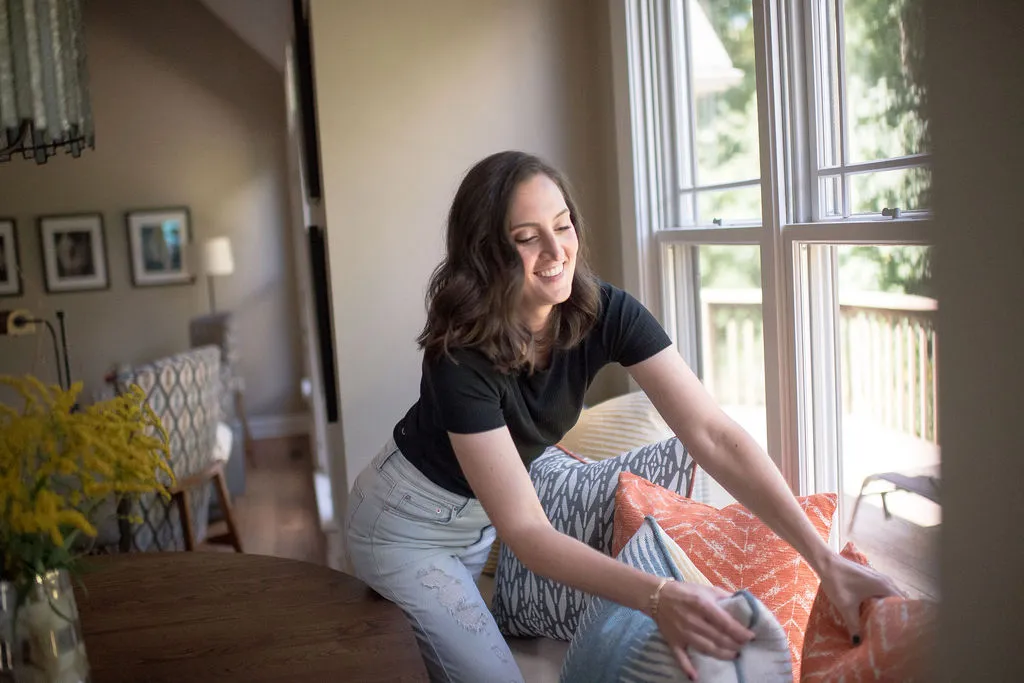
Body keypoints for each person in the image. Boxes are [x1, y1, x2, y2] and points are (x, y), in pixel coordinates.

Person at [343, 151, 899, 682]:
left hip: (476, 526)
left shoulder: (604, 311)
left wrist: (824, 560)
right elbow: (529, 533)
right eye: (526, 238)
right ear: (486, 253)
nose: (557, 251)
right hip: (405, 527)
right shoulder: (459, 359)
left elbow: (713, 434)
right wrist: (660, 596)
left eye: (562, 226)